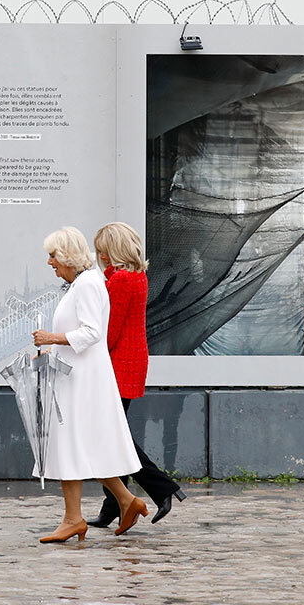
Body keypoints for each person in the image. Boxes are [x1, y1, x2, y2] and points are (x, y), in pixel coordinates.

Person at [31, 226, 144, 542]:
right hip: (76, 375)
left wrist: (52, 338)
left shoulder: (88, 285)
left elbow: (93, 332)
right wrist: (51, 350)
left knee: (71, 444)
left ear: (66, 255)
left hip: (82, 380)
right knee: (84, 444)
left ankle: (73, 519)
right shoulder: (84, 283)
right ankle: (124, 501)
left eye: (53, 256)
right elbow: (82, 333)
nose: (50, 263)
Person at [87, 222, 186, 529]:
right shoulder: (137, 277)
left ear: (112, 250)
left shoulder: (120, 281)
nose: (99, 254)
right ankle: (113, 505)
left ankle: (162, 488)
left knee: (113, 438)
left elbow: (109, 332)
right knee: (112, 436)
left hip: (116, 365)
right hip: (130, 362)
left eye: (102, 248)